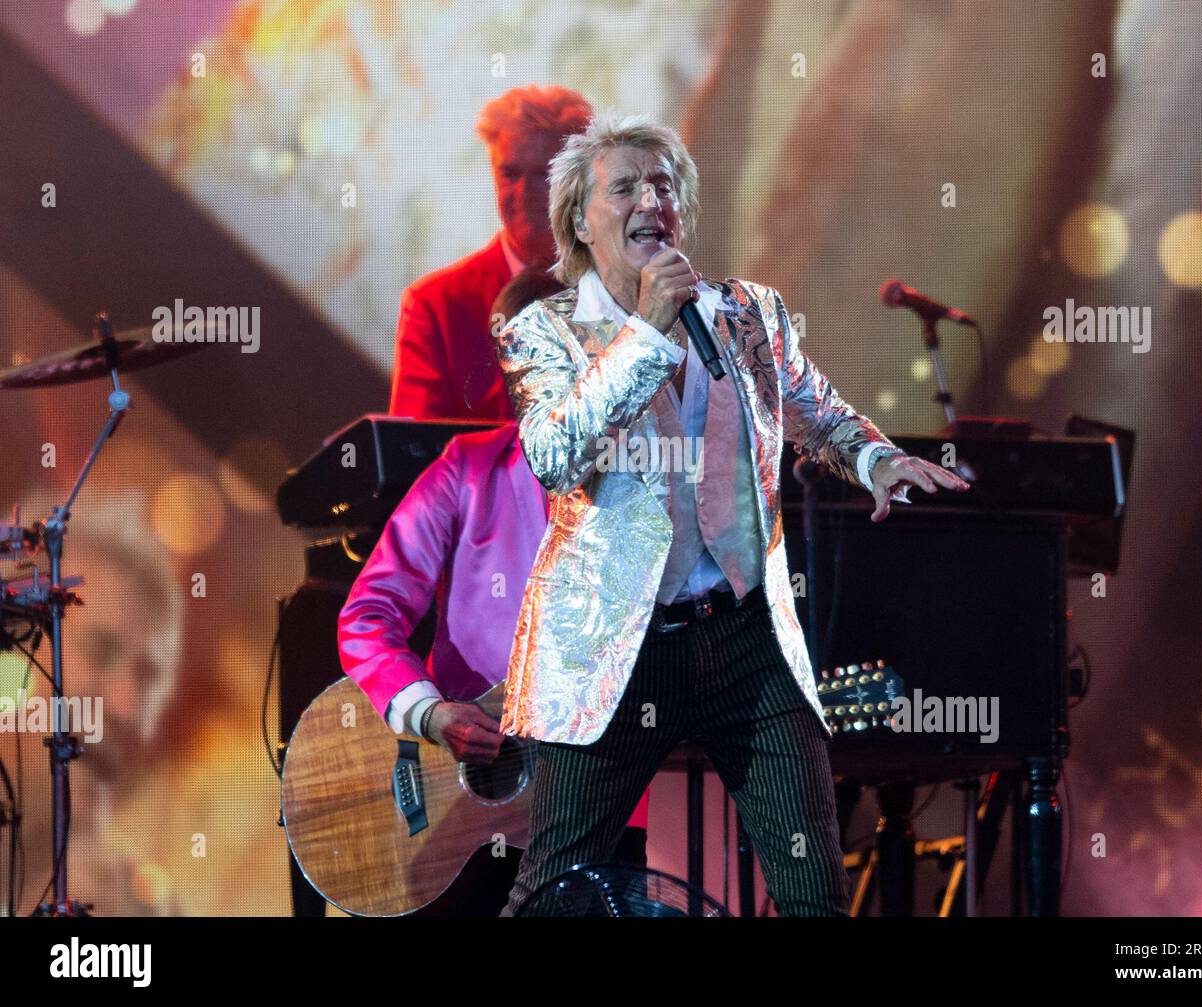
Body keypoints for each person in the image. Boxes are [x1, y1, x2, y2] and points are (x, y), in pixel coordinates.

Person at [494, 112, 970, 916]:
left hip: (745, 637)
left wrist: (877, 459)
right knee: (555, 894)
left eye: (665, 185)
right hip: (619, 641)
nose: (654, 199)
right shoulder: (546, 330)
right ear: (581, 218)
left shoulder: (748, 314)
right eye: (628, 187)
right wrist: (646, 330)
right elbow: (557, 454)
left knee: (813, 889)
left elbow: (819, 412)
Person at [338, 269, 649, 916]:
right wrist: (431, 714)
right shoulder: (465, 471)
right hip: (462, 835)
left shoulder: (650, 490)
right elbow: (368, 614)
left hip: (605, 821)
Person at [389, 85, 592, 421]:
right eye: (509, 174)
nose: (524, 193)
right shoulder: (435, 306)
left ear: (580, 181)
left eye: (544, 174)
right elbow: (416, 459)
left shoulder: (622, 286)